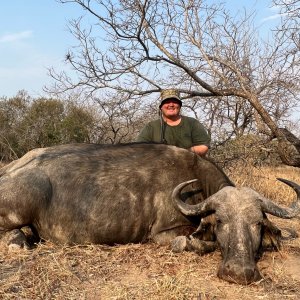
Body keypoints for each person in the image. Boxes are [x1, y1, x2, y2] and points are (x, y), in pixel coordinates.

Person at [136, 89, 210, 156]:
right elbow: (139, 149)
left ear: (180, 106)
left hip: (188, 166)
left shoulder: (192, 123)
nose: (171, 105)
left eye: (174, 102)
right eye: (167, 102)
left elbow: (203, 147)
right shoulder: (151, 127)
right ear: (161, 107)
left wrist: (179, 154)